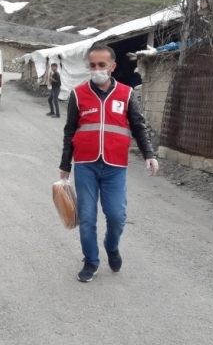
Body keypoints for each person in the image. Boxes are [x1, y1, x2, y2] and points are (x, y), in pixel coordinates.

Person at [59, 44, 159, 283]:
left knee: (116, 216)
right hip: (86, 164)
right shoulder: (78, 94)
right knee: (87, 217)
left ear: (112, 67)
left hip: (115, 166)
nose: (96, 70)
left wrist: (149, 154)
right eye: (92, 65)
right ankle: (91, 261)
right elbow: (70, 130)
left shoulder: (126, 94)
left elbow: (138, 125)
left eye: (101, 65)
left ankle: (111, 246)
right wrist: (65, 166)